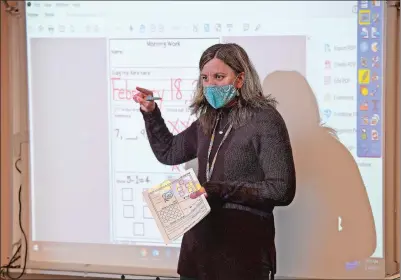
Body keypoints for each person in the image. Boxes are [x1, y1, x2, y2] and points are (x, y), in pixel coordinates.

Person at [134, 43, 296, 280]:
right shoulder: (207, 119)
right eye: (205, 78)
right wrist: (151, 112)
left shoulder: (265, 120)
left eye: (219, 77)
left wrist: (221, 189)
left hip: (242, 259)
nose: (211, 84)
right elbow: (169, 152)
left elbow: (282, 190)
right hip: (197, 256)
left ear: (240, 79)